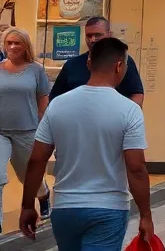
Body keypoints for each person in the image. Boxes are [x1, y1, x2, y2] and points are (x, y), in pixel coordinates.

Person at [20, 37, 153, 251]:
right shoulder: (129, 110)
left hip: (65, 208)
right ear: (119, 66)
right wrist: (146, 215)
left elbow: (37, 160)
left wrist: (27, 205)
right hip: (108, 210)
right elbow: (136, 168)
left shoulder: (57, 106)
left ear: (89, 64)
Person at [0, 29, 50, 219]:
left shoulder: (36, 70)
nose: (12, 46)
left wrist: (42, 126)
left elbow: (43, 100)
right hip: (1, 132)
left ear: (25, 46)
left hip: (27, 131)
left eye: (17, 43)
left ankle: (43, 195)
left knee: (28, 176)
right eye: (9, 42)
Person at [48, 16, 144, 106]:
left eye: (98, 35)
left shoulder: (123, 61)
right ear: (89, 64)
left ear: (109, 35)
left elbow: (137, 95)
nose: (93, 40)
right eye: (89, 36)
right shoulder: (72, 65)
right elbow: (54, 99)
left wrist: (126, 115)